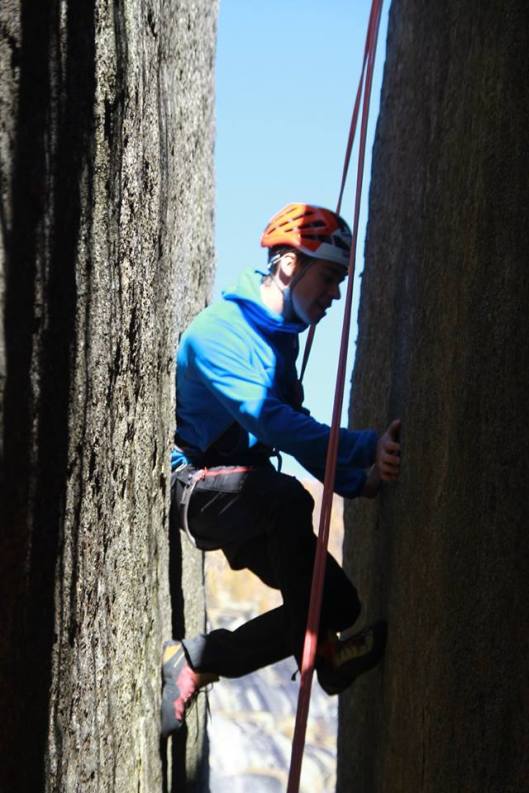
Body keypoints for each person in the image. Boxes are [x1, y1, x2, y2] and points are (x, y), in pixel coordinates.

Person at [161, 203, 401, 737]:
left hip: (252, 499)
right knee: (288, 499)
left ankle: (199, 657)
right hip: (200, 492)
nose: (335, 295)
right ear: (290, 266)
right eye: (329, 277)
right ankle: (328, 664)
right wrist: (363, 448)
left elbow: (295, 426)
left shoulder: (281, 336)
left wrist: (360, 481)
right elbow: (273, 424)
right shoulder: (217, 334)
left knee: (337, 604)